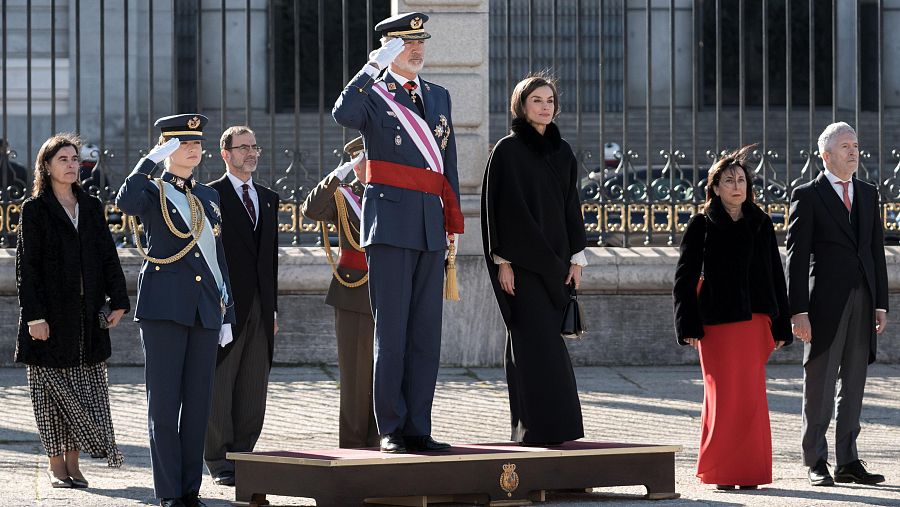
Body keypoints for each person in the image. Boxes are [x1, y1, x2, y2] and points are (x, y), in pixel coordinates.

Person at [332, 12, 463, 454]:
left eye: (421, 40)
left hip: (429, 226)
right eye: (407, 43)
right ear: (389, 48)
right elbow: (343, 113)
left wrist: (452, 223)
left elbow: (449, 165)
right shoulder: (373, 94)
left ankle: (418, 427)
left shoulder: (439, 96)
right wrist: (372, 67)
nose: (417, 49)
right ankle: (391, 426)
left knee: (425, 335)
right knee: (391, 335)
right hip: (389, 225)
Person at [116, 114, 236, 507]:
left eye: (197, 142)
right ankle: (169, 493)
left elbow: (218, 257)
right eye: (182, 143)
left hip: (205, 311)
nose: (193, 148)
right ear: (167, 148)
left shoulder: (209, 196)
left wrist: (227, 312)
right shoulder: (152, 191)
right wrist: (149, 161)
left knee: (198, 406)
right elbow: (125, 201)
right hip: (165, 309)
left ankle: (190, 490)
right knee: (165, 407)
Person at [672, 145, 791, 490]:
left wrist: (781, 322)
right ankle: (723, 471)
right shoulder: (701, 224)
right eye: (729, 180)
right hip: (716, 325)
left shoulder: (761, 222)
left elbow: (774, 273)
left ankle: (750, 471)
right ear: (715, 187)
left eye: (741, 180)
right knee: (722, 398)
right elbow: (684, 276)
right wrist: (687, 324)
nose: (737, 186)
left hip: (754, 322)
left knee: (751, 398)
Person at [15, 133, 129, 489]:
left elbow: (108, 256)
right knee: (51, 395)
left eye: (74, 158)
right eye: (62, 159)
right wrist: (35, 318)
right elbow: (26, 268)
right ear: (46, 167)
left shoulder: (92, 206)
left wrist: (119, 301)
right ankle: (55, 465)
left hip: (87, 317)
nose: (71, 165)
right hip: (48, 319)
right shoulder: (35, 210)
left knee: (84, 391)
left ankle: (75, 464)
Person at [480, 74, 587, 446]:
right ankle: (531, 431)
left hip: (557, 265)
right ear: (521, 105)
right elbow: (501, 210)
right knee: (528, 343)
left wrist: (577, 257)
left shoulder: (564, 152)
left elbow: (571, 207)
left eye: (550, 100)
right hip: (522, 268)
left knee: (551, 350)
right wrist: (503, 262)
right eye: (537, 100)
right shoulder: (507, 151)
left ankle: (559, 431)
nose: (545, 106)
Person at [787, 122, 888, 487]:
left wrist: (881, 304)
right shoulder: (808, 194)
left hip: (863, 300)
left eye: (856, 145)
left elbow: (875, 250)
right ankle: (815, 459)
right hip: (823, 305)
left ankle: (848, 459)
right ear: (826, 155)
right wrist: (797, 311)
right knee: (820, 383)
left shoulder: (867, 192)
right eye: (845, 146)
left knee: (855, 383)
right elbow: (796, 259)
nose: (854, 151)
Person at [204, 126, 280, 486]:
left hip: (261, 309)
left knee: (253, 387)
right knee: (220, 385)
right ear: (226, 154)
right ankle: (220, 462)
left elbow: (269, 261)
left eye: (255, 146)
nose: (251, 153)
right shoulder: (209, 197)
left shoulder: (268, 198)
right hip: (225, 307)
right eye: (243, 147)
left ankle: (244, 456)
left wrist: (273, 309)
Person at [301, 136, 379, 449]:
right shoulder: (344, 195)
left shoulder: (394, 191)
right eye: (362, 160)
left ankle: (387, 435)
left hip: (394, 288)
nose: (368, 165)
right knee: (357, 371)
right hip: (356, 289)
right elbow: (311, 209)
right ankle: (357, 441)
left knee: (389, 369)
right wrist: (338, 175)